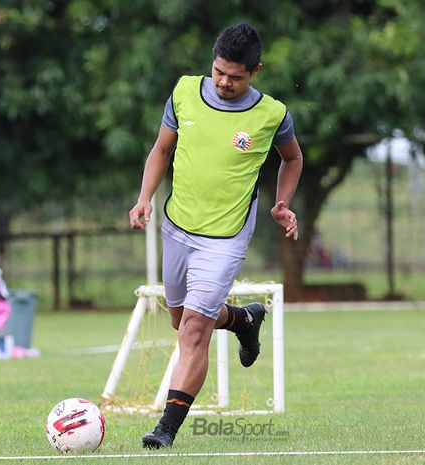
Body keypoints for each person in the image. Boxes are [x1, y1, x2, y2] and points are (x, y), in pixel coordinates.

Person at [128, 23, 302, 449]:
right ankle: (243, 319)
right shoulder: (185, 91)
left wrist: (281, 203)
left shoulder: (272, 115)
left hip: (225, 237)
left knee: (193, 331)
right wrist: (144, 197)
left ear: (255, 71)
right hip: (177, 225)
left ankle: (165, 429)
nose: (225, 81)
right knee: (178, 317)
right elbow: (161, 149)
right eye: (219, 71)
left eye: (236, 76)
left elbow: (293, 158)